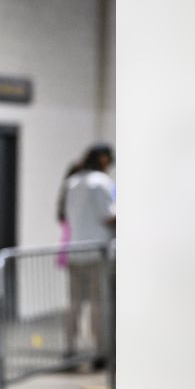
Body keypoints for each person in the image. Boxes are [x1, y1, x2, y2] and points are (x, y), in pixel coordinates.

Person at [62, 143, 115, 370]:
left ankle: (69, 351)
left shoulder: (72, 183)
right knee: (98, 305)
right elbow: (108, 216)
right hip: (97, 253)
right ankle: (101, 352)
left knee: (74, 305)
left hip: (76, 252)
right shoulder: (100, 183)